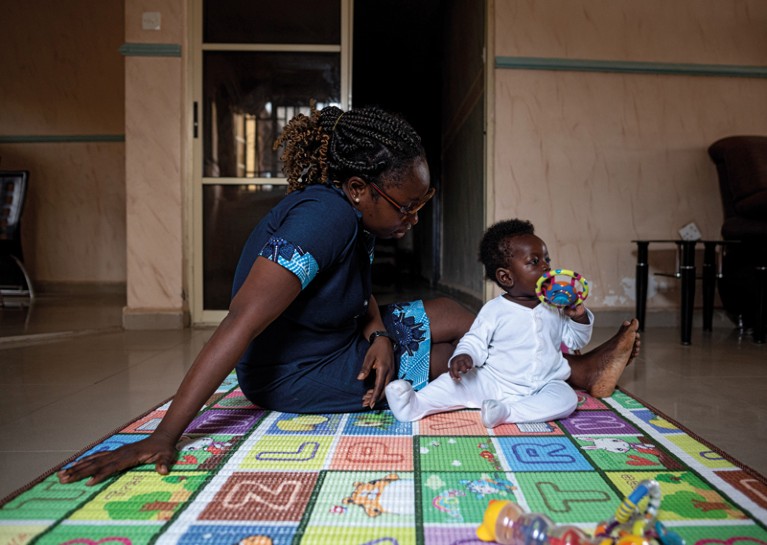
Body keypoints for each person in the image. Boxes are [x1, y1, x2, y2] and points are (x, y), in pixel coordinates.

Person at [58, 105, 638, 486]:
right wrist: (163, 436)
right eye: (405, 206)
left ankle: (558, 363)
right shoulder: (324, 220)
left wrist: (381, 333)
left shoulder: (353, 218)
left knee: (457, 313)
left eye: (421, 205)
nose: (412, 218)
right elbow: (239, 323)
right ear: (360, 189)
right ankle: (576, 374)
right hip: (294, 370)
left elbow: (357, 296)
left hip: (338, 338)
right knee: (447, 365)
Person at [387, 218, 603, 427]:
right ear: (506, 277)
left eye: (547, 260)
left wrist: (579, 317)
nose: (546, 267)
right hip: (495, 380)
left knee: (566, 399)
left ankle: (507, 413)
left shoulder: (555, 306)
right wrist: (465, 355)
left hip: (546, 382)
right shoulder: (495, 309)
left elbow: (575, 342)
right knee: (455, 384)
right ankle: (414, 404)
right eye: (534, 262)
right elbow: (475, 340)